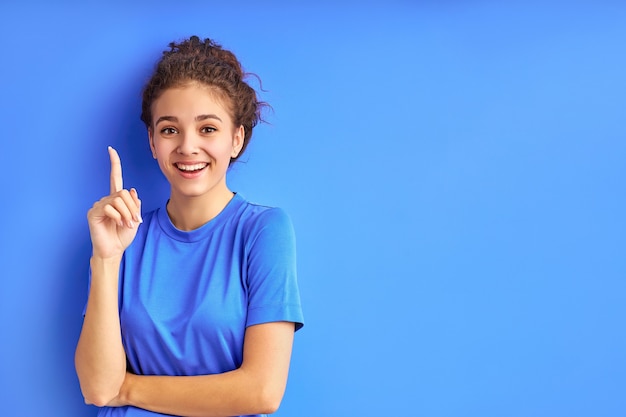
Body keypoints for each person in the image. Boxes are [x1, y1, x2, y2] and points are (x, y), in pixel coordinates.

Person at [75, 35, 304, 417]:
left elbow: (262, 391)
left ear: (236, 139)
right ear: (151, 141)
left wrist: (128, 387)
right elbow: (98, 387)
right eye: (169, 130)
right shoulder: (123, 238)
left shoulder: (265, 231)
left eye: (208, 129)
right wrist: (105, 257)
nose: (187, 147)